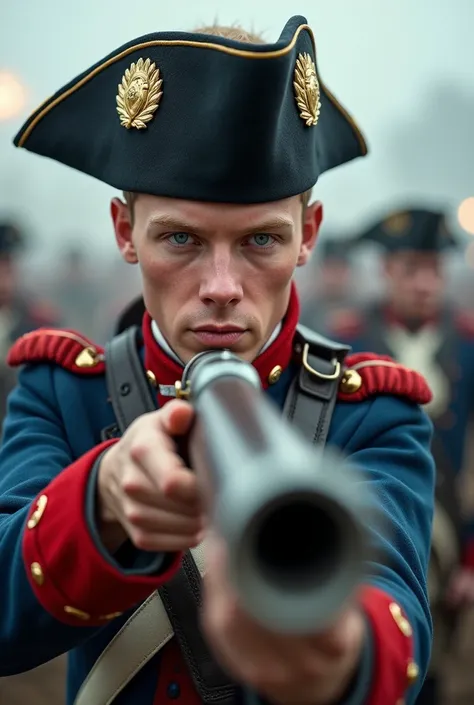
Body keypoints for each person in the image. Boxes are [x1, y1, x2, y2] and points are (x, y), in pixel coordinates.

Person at [0, 17, 434, 705]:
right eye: (181, 238)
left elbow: (394, 615)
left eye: (262, 239)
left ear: (308, 236)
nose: (223, 286)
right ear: (125, 232)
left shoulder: (373, 411)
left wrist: (335, 653)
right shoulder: (60, 391)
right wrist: (102, 501)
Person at [327, 207, 474, 705]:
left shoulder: (469, 345)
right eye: (412, 269)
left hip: (452, 533)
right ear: (387, 271)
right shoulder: (344, 342)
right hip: (367, 533)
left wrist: (471, 559)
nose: (425, 283)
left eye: (434, 269)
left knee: (437, 671)